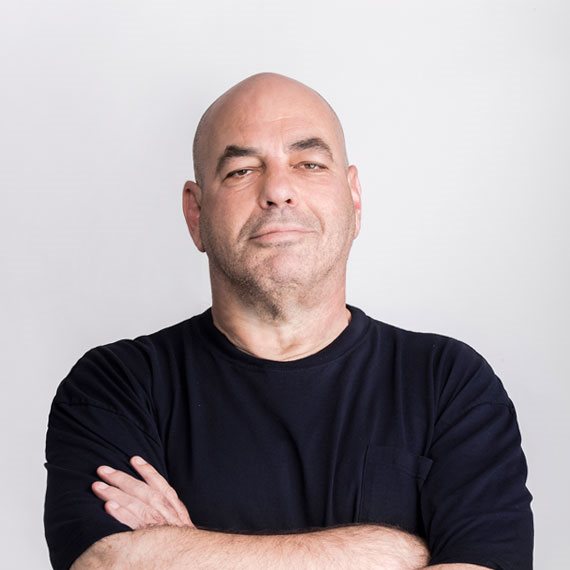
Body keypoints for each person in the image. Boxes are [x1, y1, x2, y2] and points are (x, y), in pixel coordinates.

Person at [44, 72, 533, 570]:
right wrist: (393, 552)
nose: (278, 190)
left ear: (354, 197)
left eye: (309, 164)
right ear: (196, 214)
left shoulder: (448, 382)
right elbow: (108, 562)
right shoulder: (117, 386)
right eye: (241, 171)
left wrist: (179, 550)